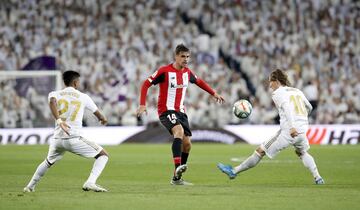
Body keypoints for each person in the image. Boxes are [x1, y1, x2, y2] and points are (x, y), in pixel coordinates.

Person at [136, 44, 225, 185]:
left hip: (181, 111)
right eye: (183, 56)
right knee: (178, 130)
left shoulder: (187, 73)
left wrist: (214, 93)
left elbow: (199, 82)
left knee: (187, 144)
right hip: (166, 110)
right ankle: (178, 168)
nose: (186, 59)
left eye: (188, 56)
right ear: (176, 56)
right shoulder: (164, 71)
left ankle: (176, 178)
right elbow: (145, 84)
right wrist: (142, 104)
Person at [217, 69, 324, 184]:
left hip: (289, 130)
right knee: (302, 152)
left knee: (260, 151)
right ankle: (318, 177)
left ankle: (234, 171)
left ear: (277, 81)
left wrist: (293, 126)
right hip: (303, 129)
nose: (269, 85)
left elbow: (287, 107)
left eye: (270, 82)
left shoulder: (278, 93)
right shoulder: (297, 91)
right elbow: (309, 107)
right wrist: (300, 119)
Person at [23, 70, 110, 192]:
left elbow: (52, 102)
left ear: (64, 82)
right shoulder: (84, 97)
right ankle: (90, 182)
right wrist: (103, 119)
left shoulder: (55, 94)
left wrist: (59, 120)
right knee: (103, 155)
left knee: (47, 162)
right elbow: (100, 116)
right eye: (78, 81)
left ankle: (30, 187)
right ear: (75, 82)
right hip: (73, 138)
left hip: (57, 139)